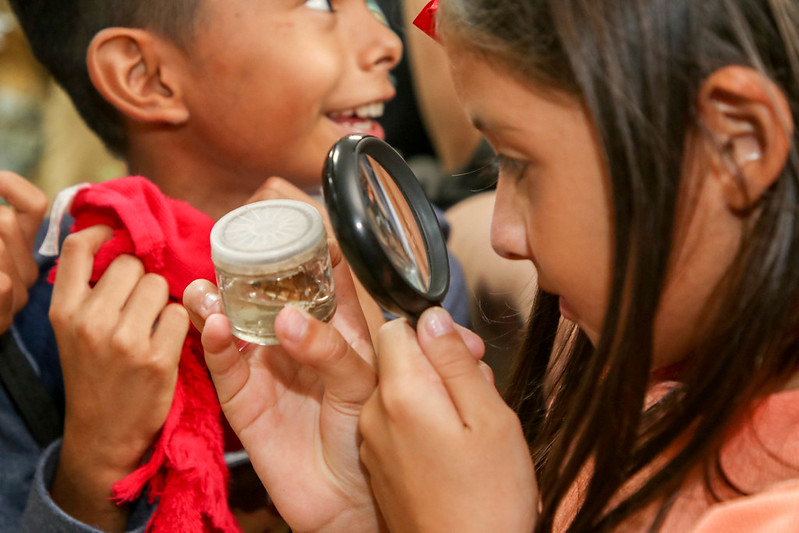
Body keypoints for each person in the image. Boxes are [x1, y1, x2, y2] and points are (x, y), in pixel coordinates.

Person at [186, 0, 799, 531]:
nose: (507, 234)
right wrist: (367, 517)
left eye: (519, 161)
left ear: (737, 141)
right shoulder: (642, 370)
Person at [0, 0, 406, 531]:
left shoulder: (401, 254)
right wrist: (94, 462)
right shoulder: (28, 325)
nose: (388, 43)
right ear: (146, 76)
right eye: (319, 4)